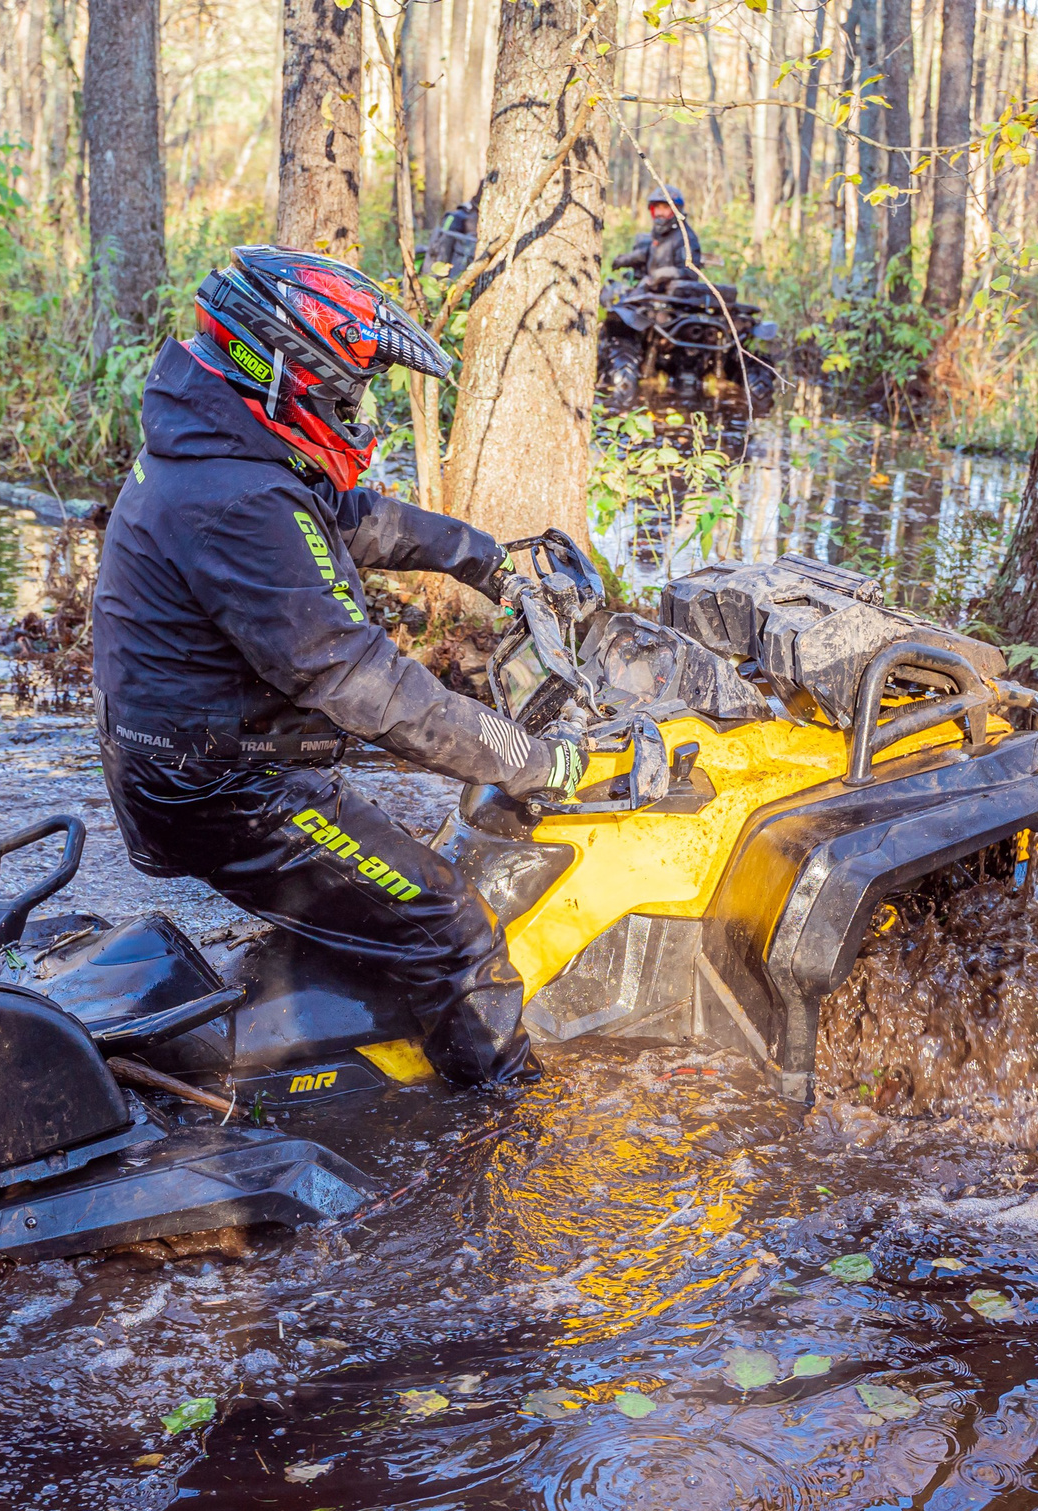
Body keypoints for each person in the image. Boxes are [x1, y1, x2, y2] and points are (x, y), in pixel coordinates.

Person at [91, 246, 590, 1087]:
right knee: (448, 919)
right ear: (293, 375)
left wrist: (484, 559)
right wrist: (528, 758)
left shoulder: (224, 447)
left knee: (390, 873)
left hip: (207, 758)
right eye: (348, 394)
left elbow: (348, 516)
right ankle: (501, 1123)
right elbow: (365, 682)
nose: (359, 412)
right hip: (217, 792)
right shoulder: (237, 497)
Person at [613, 187, 706, 285]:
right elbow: (652, 258)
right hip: (652, 292)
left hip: (673, 296)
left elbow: (690, 273)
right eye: (657, 207)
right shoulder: (658, 234)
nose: (660, 213)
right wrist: (631, 262)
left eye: (665, 208)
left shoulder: (686, 238)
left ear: (676, 210)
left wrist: (664, 274)